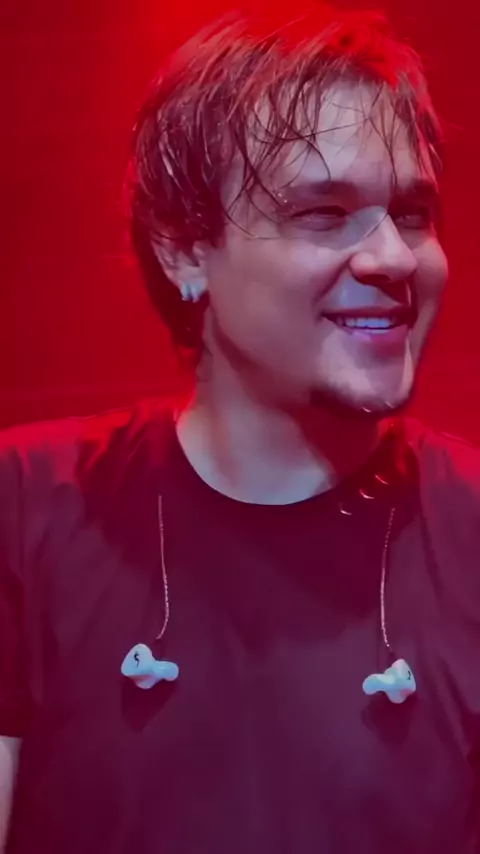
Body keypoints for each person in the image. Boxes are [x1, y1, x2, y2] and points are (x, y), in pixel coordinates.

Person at [2, 5, 480, 853]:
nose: (394, 258)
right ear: (185, 249)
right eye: (322, 212)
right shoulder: (26, 507)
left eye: (411, 213)